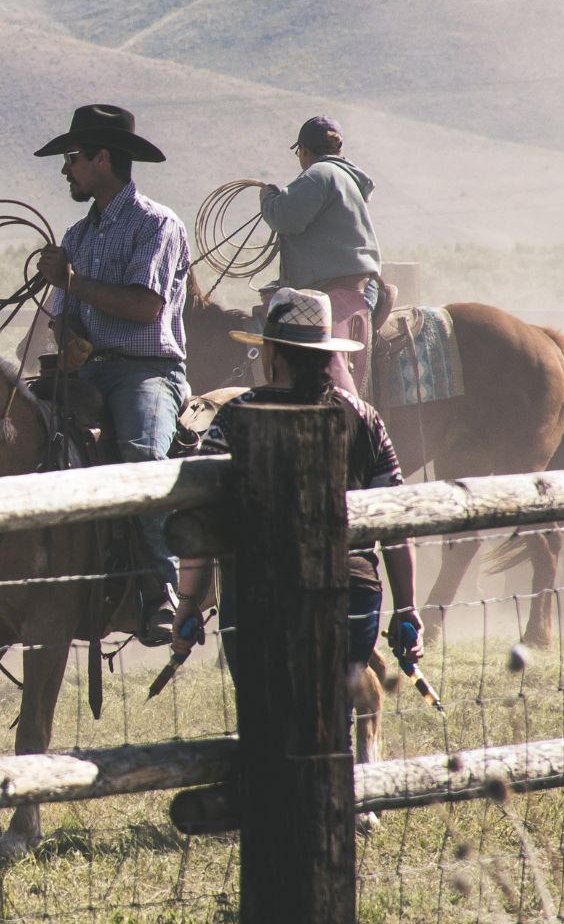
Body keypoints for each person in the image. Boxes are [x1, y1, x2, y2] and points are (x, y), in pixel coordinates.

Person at [170, 288, 422, 730]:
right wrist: (406, 610)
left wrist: (188, 602)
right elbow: (396, 523)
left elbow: (202, 518)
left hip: (255, 601)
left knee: (266, 724)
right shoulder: (366, 419)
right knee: (335, 722)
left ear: (271, 353)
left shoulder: (233, 418)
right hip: (353, 597)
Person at [33, 104, 192, 644]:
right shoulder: (78, 235)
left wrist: (72, 282)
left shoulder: (157, 224)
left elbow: (146, 307)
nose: (65, 170)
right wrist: (69, 336)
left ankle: (160, 589)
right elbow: (64, 315)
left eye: (72, 159)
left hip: (147, 372)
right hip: (90, 372)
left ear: (103, 158)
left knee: (143, 458)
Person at [257, 116, 381, 395]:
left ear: (303, 150)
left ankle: (347, 415)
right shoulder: (347, 176)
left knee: (325, 366)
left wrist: (268, 198)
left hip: (334, 291)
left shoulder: (318, 174)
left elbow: (286, 219)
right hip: (360, 285)